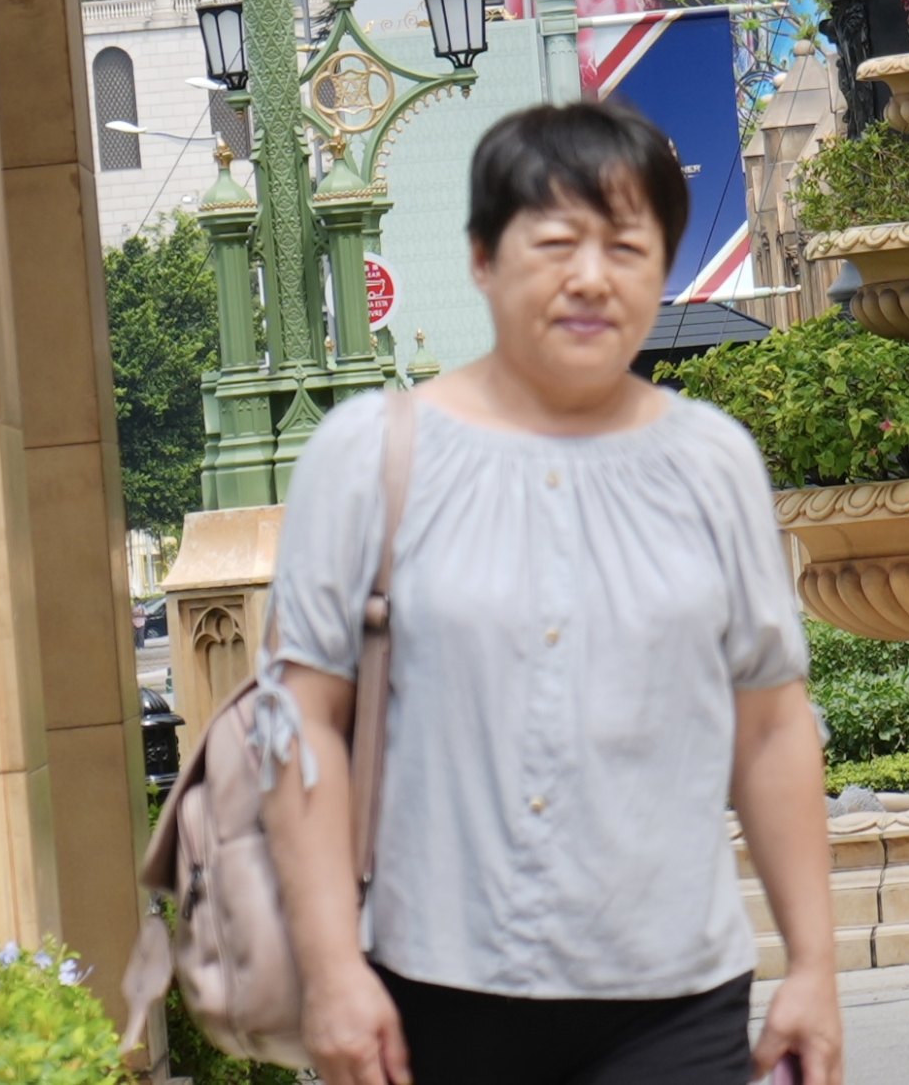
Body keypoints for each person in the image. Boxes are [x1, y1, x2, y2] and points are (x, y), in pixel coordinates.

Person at [256, 100, 842, 1085]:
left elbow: (773, 726)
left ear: (663, 269)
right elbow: (301, 723)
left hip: (676, 997)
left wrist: (815, 966)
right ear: (484, 257)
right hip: (433, 994)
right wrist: (329, 971)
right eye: (556, 241)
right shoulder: (369, 458)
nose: (589, 277)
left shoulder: (713, 463)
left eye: (625, 246)